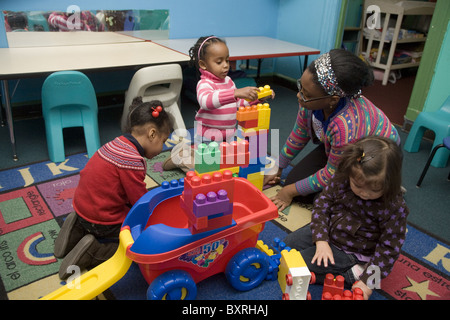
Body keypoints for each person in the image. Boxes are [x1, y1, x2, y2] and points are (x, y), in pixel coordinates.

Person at [264, 49, 400, 211]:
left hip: (376, 155)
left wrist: (289, 191)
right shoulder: (309, 102)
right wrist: (278, 166)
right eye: (300, 87)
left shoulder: (345, 126)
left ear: (333, 100)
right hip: (339, 146)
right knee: (297, 184)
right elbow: (299, 134)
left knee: (328, 200)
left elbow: (331, 173)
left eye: (306, 94)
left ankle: (387, 183)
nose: (299, 96)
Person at [54, 97, 172, 280]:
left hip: (81, 206)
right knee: (134, 241)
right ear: (152, 133)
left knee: (111, 210)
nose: (162, 147)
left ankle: (76, 227)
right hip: (101, 219)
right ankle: (92, 251)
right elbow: (139, 202)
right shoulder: (132, 161)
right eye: (163, 141)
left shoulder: (117, 143)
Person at [283, 136, 409, 299]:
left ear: (390, 183)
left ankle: (355, 273)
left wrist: (368, 282)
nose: (364, 193)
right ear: (349, 171)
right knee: (286, 246)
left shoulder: (394, 207)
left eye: (374, 190)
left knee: (298, 266)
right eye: (357, 185)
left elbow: (389, 248)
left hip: (354, 250)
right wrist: (321, 240)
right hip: (328, 231)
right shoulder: (341, 179)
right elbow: (322, 206)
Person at [163, 35, 274, 171]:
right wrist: (235, 93)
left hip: (228, 136)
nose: (226, 65)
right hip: (208, 138)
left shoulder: (229, 81)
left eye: (227, 60)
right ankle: (180, 158)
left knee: (230, 166)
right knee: (207, 170)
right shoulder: (204, 83)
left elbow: (238, 104)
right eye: (219, 62)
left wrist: (256, 99)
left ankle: (190, 152)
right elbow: (206, 102)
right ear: (204, 64)